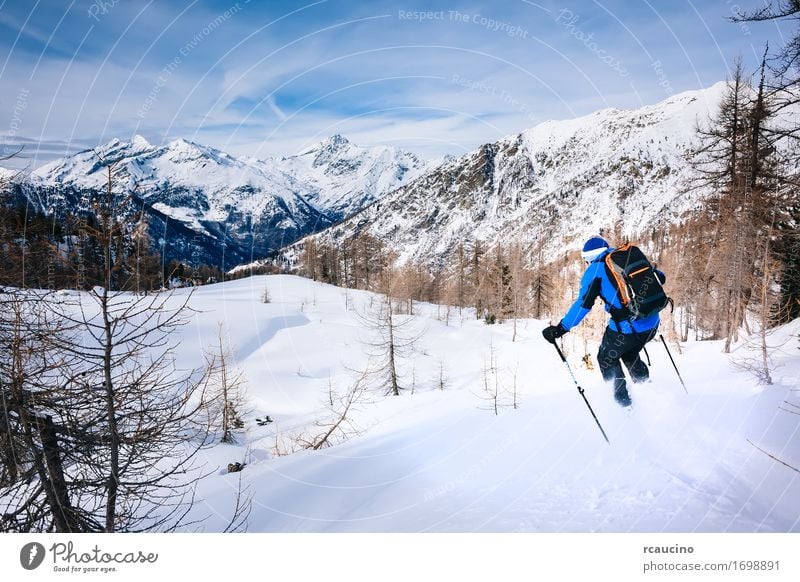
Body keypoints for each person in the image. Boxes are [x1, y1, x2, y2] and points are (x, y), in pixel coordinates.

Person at [541, 236, 663, 407]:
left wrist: (561, 328)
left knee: (606, 356)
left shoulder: (595, 270)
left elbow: (583, 305)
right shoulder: (626, 258)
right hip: (652, 322)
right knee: (629, 353)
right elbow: (660, 277)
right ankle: (648, 392)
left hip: (629, 329)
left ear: (589, 257)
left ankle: (624, 406)